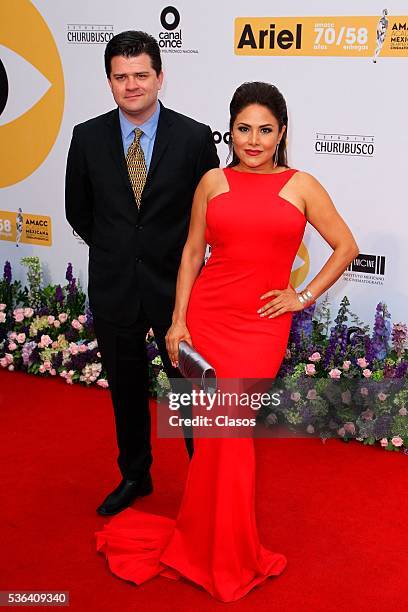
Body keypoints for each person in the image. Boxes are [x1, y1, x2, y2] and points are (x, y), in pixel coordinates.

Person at [96, 82, 359, 602]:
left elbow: (346, 245)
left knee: (231, 440)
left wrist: (301, 296)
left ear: (282, 132)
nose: (253, 140)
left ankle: (230, 551)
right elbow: (193, 252)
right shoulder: (213, 181)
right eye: (243, 129)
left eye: (265, 130)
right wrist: (177, 322)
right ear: (230, 130)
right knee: (215, 441)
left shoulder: (301, 184)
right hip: (209, 319)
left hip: (261, 325)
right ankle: (205, 543)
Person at [65, 31, 219, 516]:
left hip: (178, 293)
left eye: (141, 75)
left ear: (160, 77)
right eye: (120, 76)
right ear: (109, 81)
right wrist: (119, 252)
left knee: (190, 390)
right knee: (126, 390)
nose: (131, 85)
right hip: (115, 288)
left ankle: (207, 481)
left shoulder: (194, 138)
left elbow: (209, 214)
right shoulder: (86, 137)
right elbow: (78, 212)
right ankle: (136, 474)